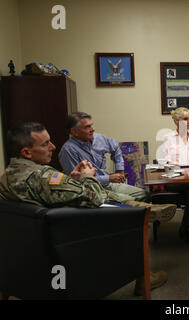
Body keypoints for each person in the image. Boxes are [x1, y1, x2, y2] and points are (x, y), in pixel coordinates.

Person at [0, 122, 174, 294]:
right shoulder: (44, 176)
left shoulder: (6, 177)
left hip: (34, 252)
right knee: (129, 217)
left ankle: (142, 208)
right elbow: (95, 198)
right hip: (76, 238)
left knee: (117, 201)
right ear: (27, 152)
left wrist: (71, 179)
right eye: (45, 144)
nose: (53, 146)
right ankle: (145, 277)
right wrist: (88, 177)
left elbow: (51, 194)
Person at [59, 112, 148, 203]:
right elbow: (77, 182)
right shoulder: (68, 151)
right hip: (91, 191)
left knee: (144, 195)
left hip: (108, 184)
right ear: (74, 132)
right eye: (87, 127)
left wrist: (119, 169)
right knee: (131, 201)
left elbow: (116, 148)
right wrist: (108, 178)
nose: (92, 129)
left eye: (91, 125)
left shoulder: (98, 138)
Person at [161, 107, 189, 242]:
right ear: (176, 121)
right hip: (174, 179)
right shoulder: (168, 138)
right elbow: (165, 162)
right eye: (185, 119)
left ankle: (188, 229)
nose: (188, 121)